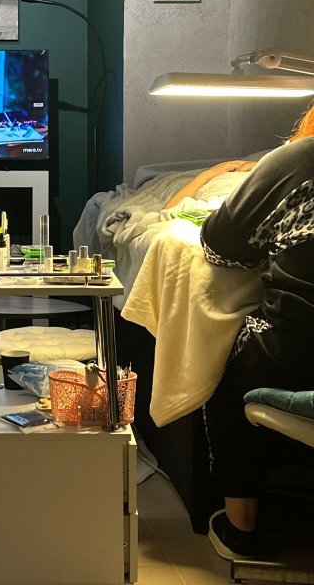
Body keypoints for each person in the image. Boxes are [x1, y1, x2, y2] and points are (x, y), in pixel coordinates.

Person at [186, 104, 314, 560]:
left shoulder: (299, 157)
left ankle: (241, 526)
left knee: (225, 368)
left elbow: (221, 246)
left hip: (297, 347)